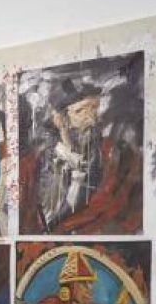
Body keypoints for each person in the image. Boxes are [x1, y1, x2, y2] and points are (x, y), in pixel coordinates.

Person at [29, 90, 139, 234]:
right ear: (61, 120)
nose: (90, 117)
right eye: (80, 111)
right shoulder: (47, 157)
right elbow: (45, 210)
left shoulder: (108, 151)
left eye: (94, 108)